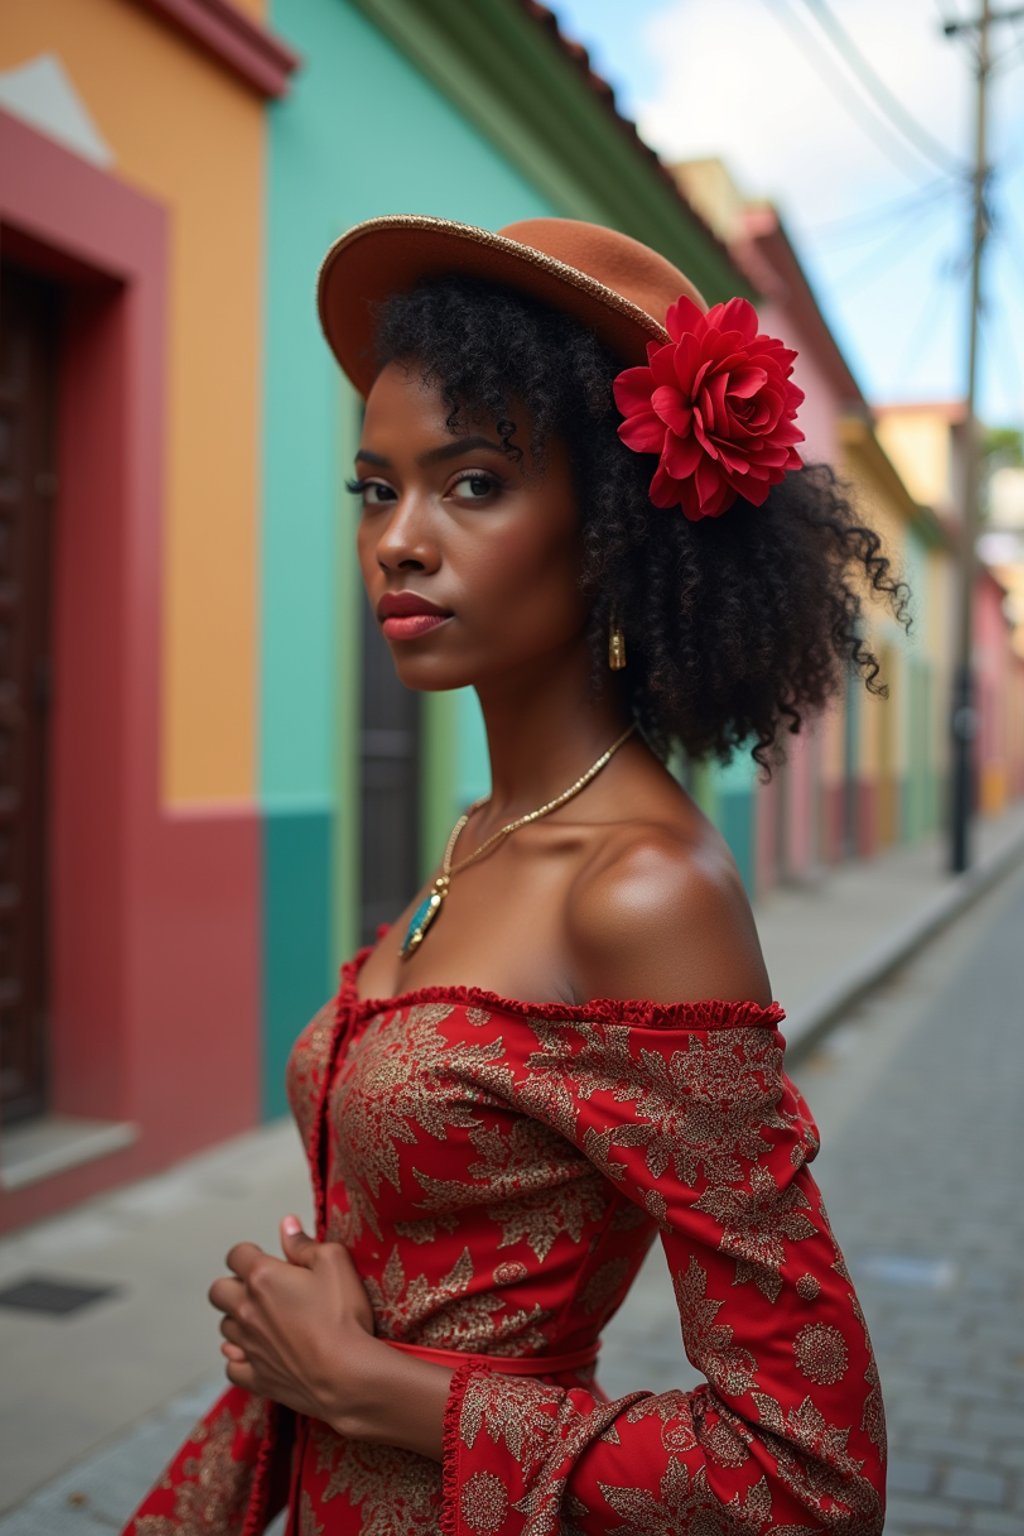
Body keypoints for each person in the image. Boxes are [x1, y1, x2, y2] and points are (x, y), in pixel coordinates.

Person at [123, 215, 902, 1535]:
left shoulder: (643, 892)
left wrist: (376, 1387)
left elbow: (806, 1469)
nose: (397, 540)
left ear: (611, 526)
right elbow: (338, 1329)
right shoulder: (480, 833)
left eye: (473, 482)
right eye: (378, 487)